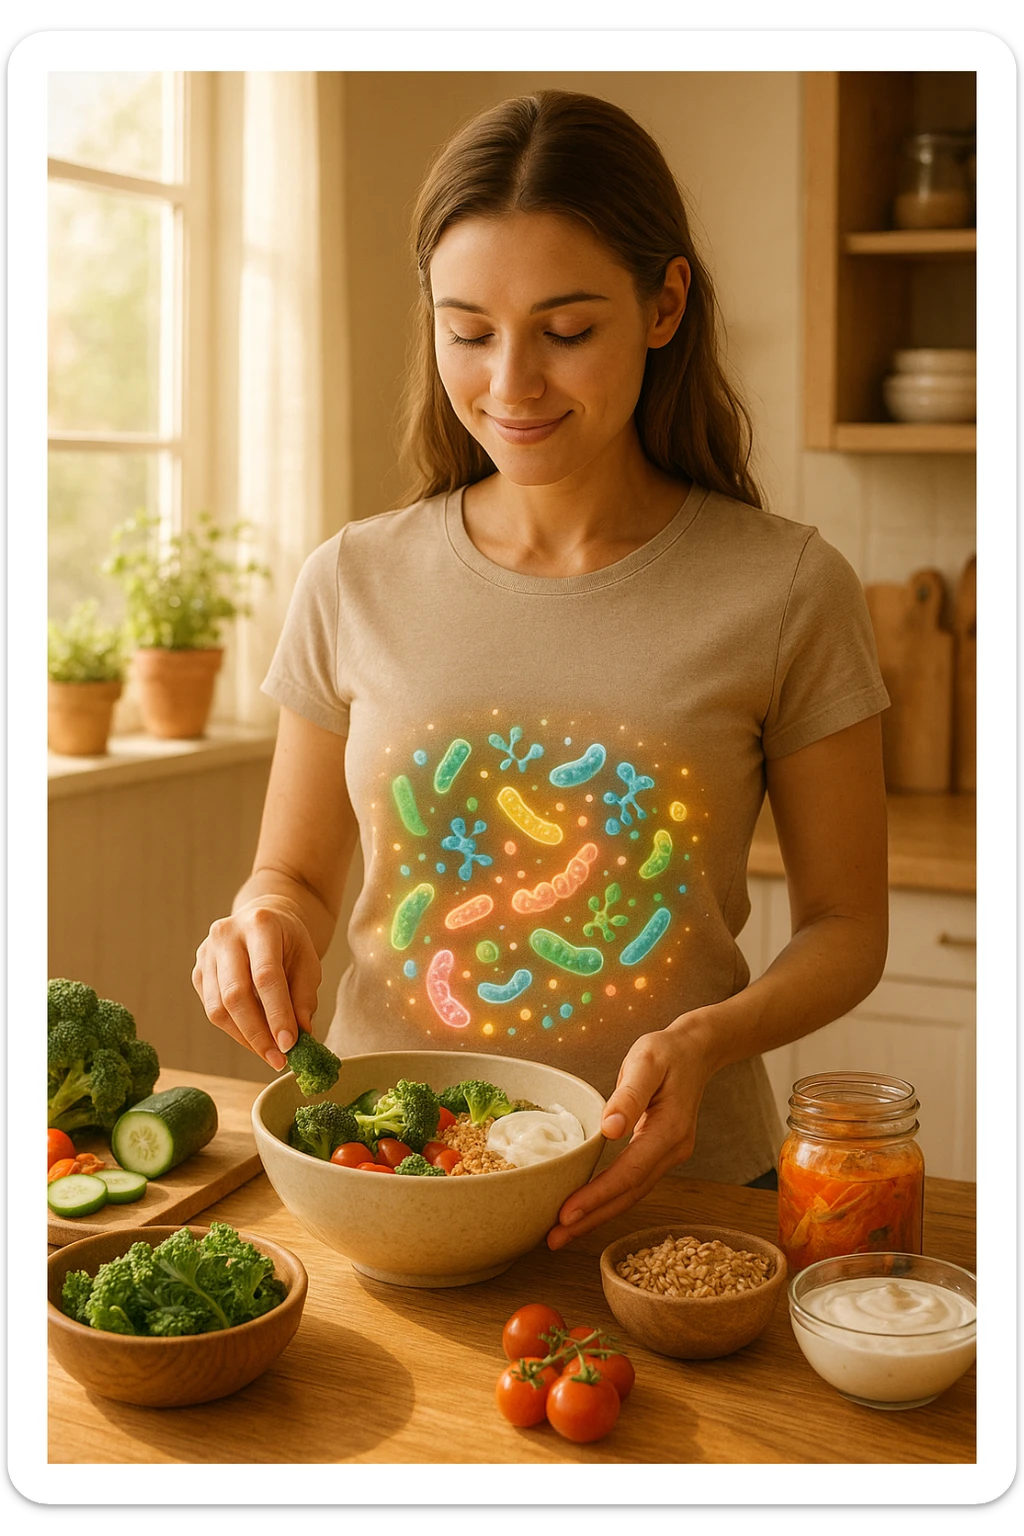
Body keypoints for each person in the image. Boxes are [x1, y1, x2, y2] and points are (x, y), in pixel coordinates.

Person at [192, 89, 890, 1251]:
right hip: (386, 1172)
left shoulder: (786, 589)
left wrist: (711, 1038)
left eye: (565, 330)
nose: (509, 383)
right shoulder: (351, 577)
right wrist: (257, 925)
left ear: (663, 304)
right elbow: (294, 878)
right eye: (468, 330)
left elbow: (845, 926)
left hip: (678, 1194)